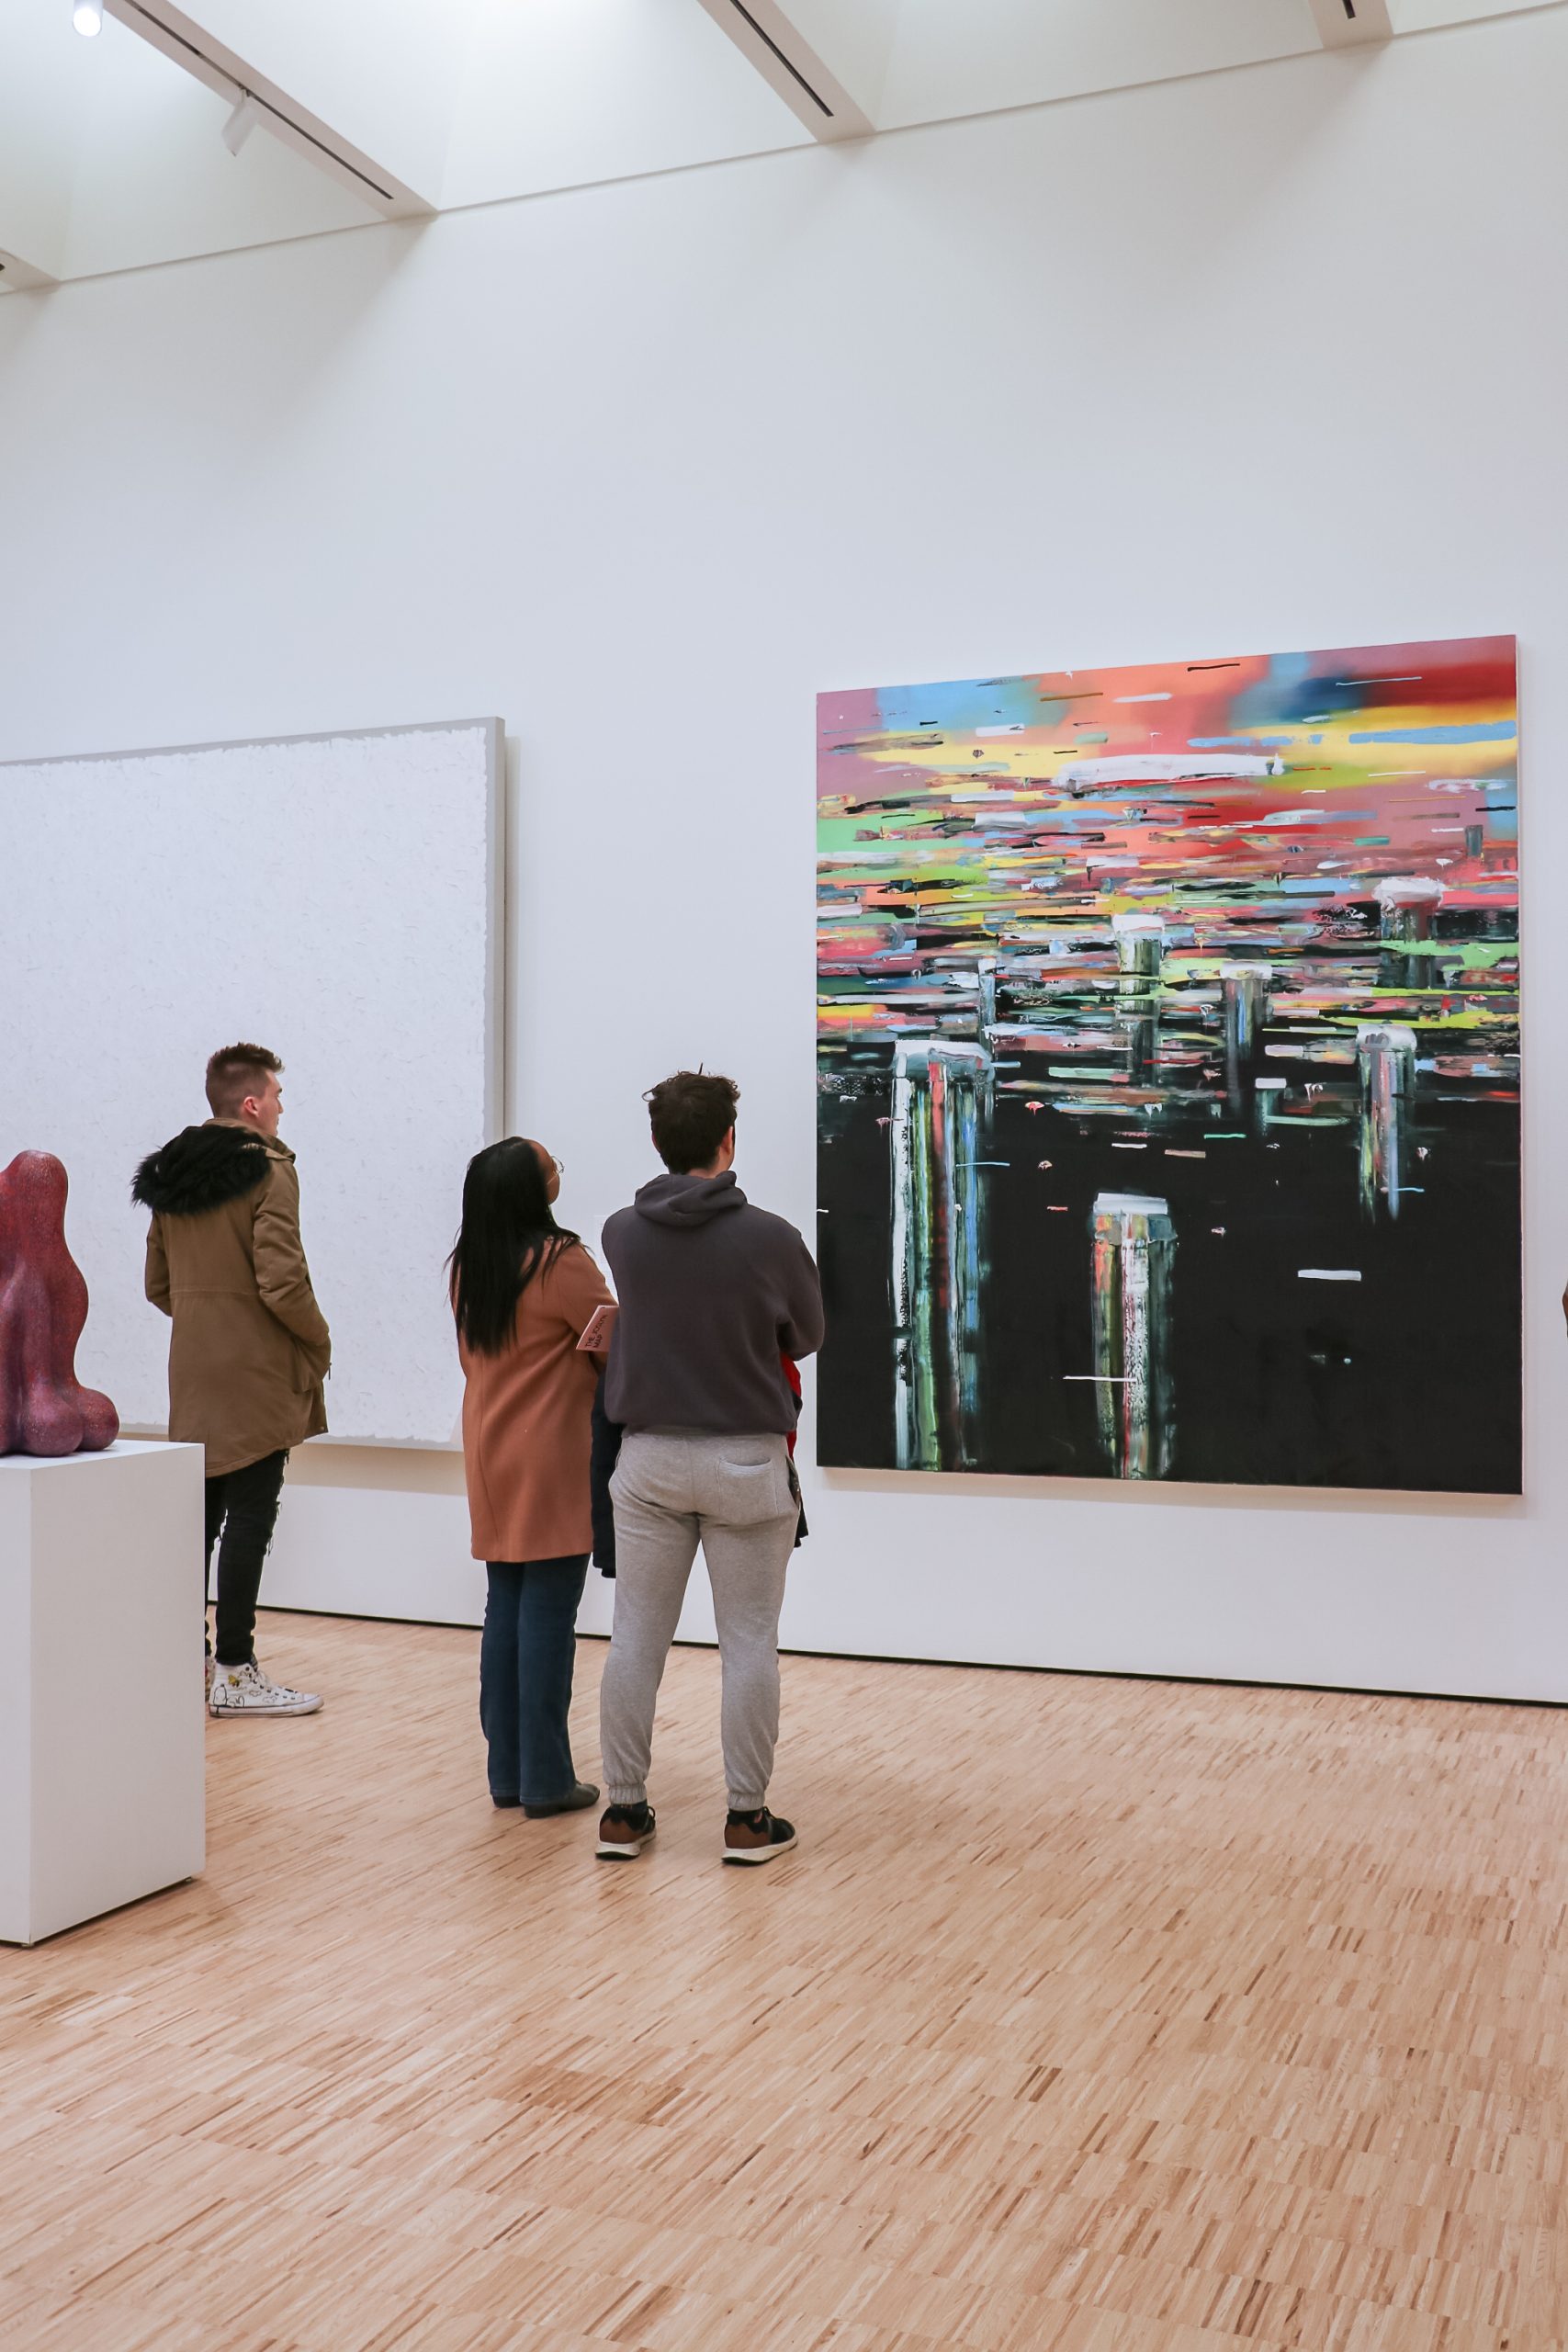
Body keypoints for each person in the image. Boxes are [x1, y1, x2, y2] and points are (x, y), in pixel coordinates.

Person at [596, 1070, 825, 1866]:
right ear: (728, 1141)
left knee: (635, 1639)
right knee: (749, 1642)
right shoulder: (772, 1238)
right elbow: (806, 1336)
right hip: (745, 1460)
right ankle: (745, 1820)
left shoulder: (620, 1233)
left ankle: (623, 1812)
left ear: (657, 1141)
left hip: (648, 1459)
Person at [132, 1044, 331, 1716]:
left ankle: (182, 1658)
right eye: (276, 1096)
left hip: (192, 1368)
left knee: (200, 1520)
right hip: (256, 1369)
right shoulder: (268, 1168)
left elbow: (158, 1284)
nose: (281, 1108)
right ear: (251, 1104)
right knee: (250, 1518)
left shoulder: (173, 1171)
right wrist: (317, 1338)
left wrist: (205, 1316)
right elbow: (282, 1280)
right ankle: (237, 1672)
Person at [451, 1137, 615, 1816]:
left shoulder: (470, 1264)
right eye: (552, 1168)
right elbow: (614, 1345)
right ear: (533, 1190)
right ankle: (547, 1780)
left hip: (489, 1448)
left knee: (506, 1608)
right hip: (551, 1453)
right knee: (548, 1614)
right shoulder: (562, 1260)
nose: (558, 1175)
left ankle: (509, 1774)